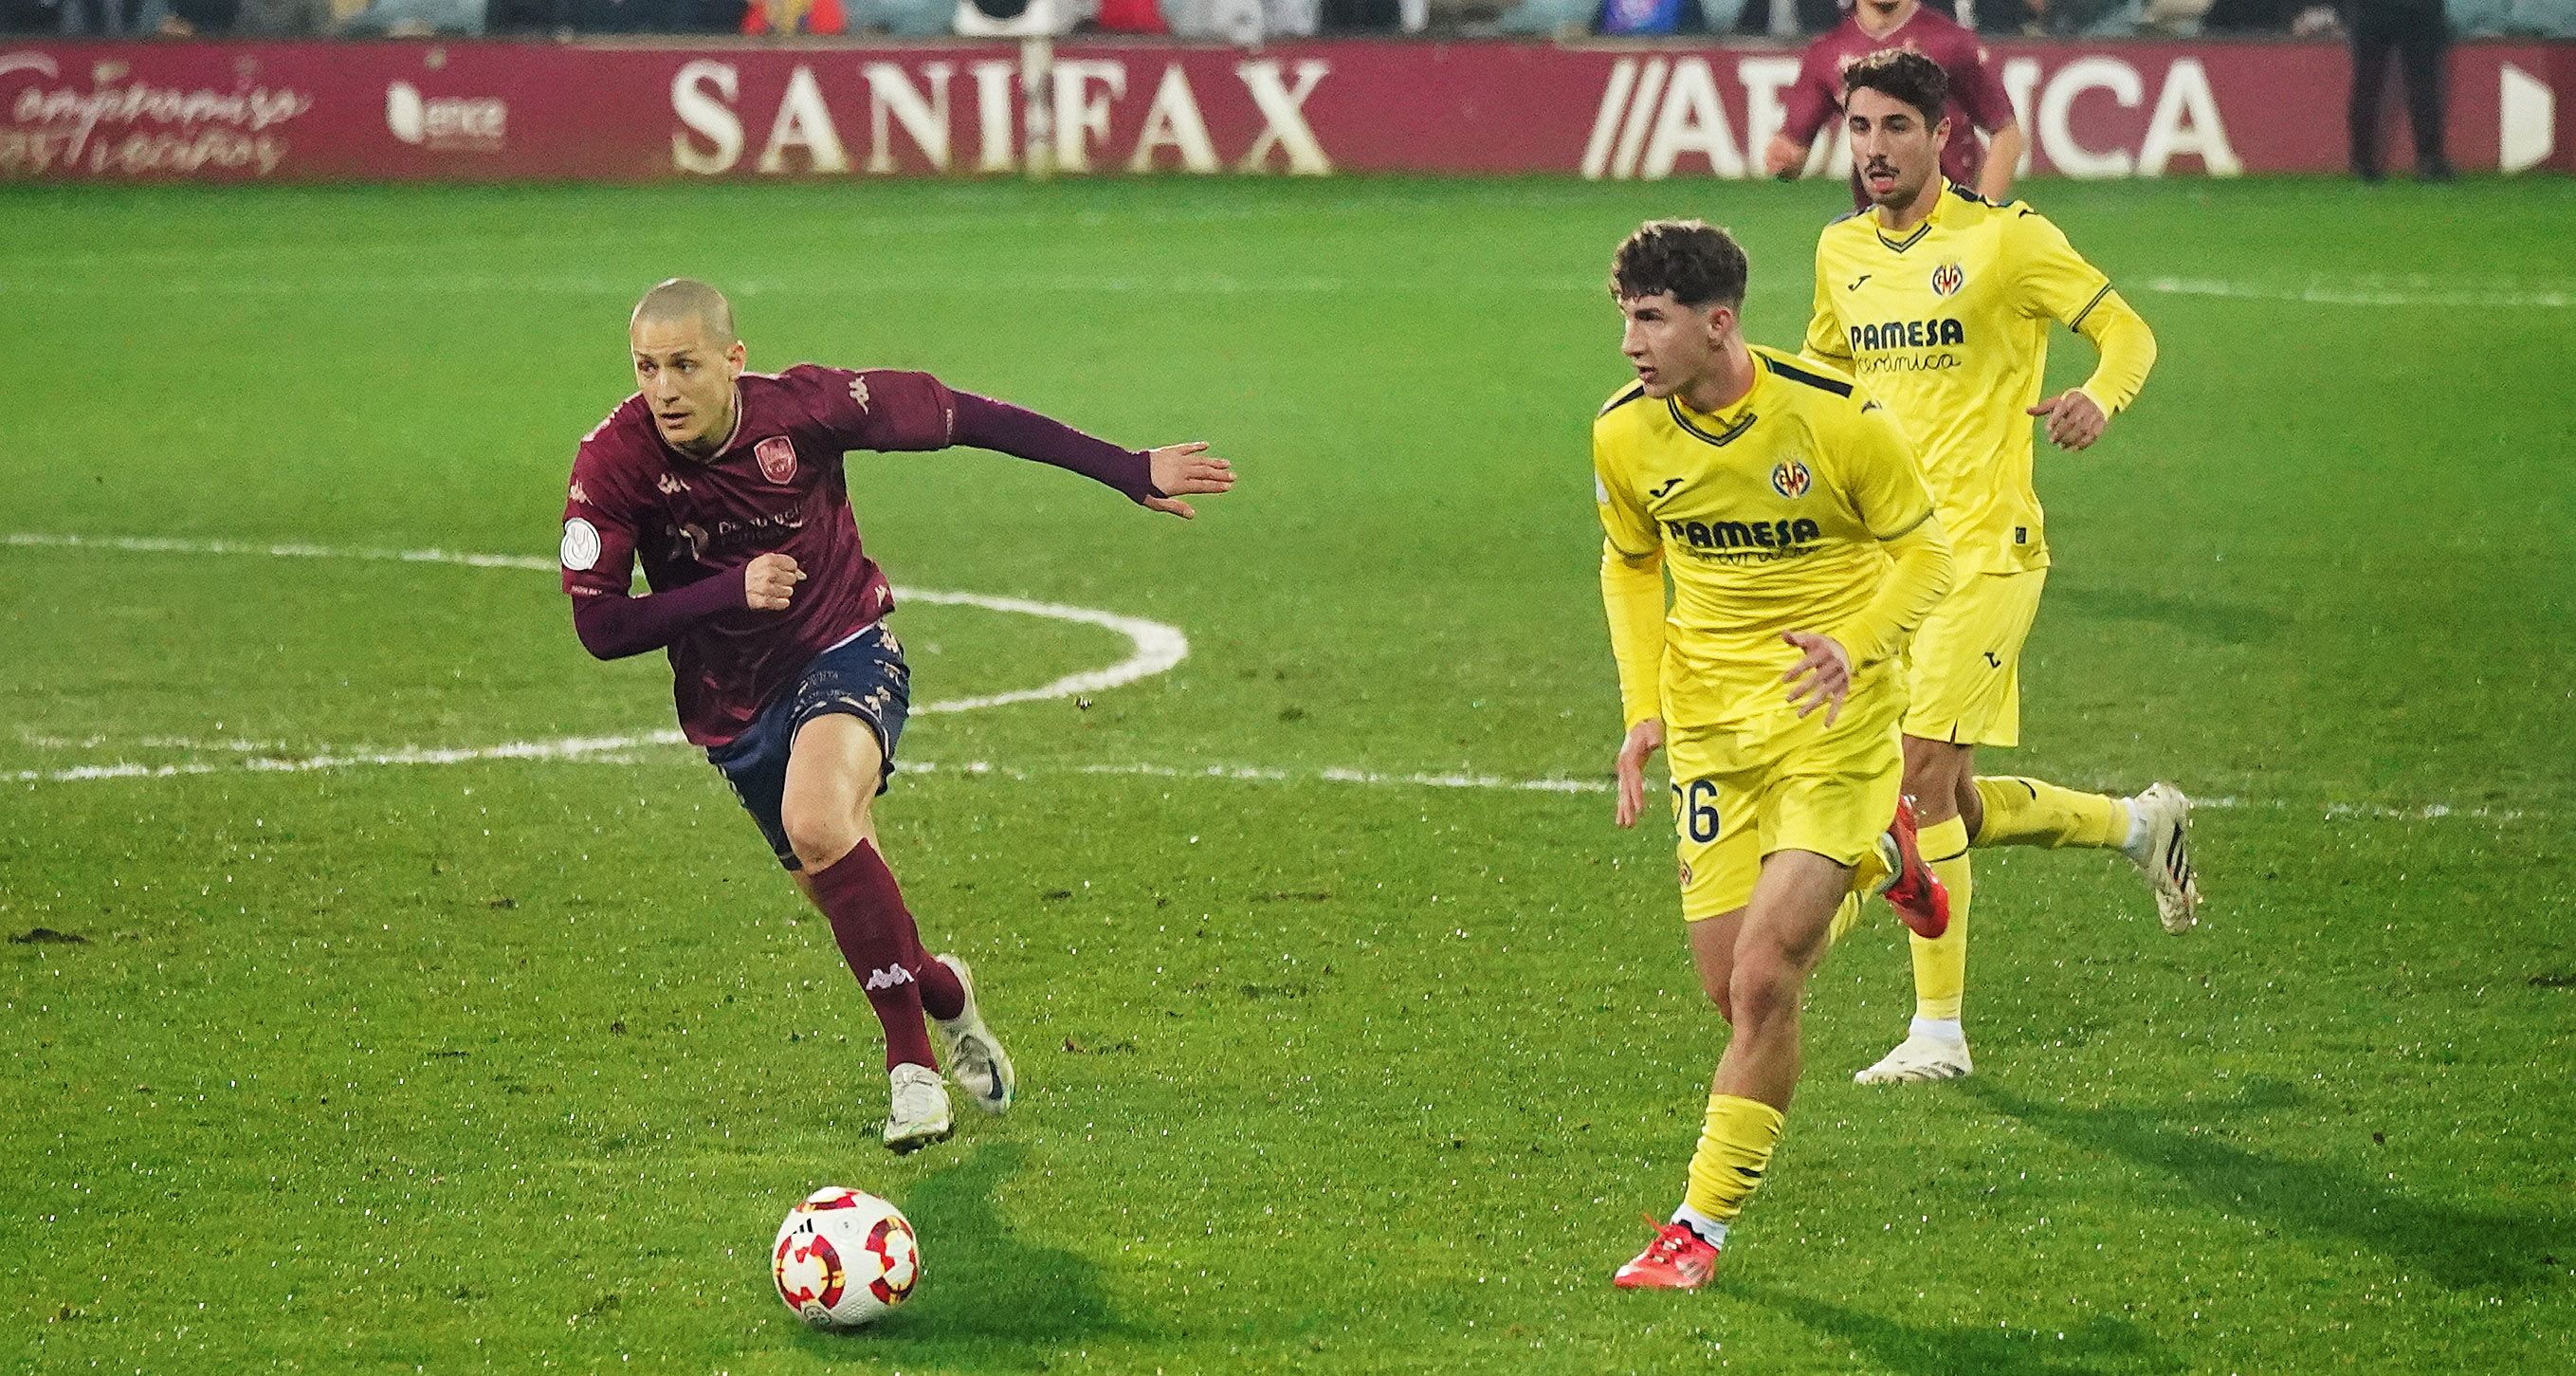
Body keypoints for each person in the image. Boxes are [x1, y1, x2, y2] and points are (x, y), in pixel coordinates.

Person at [560, 279, 1235, 1151]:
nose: (663, 389)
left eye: (683, 365)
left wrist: (1124, 467)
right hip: (731, 710)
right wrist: (730, 590)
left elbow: (964, 415)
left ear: (733, 360)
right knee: (846, 893)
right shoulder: (613, 462)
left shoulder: (806, 409)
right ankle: (943, 994)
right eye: (646, 368)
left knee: (816, 819)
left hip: (842, 647)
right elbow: (598, 624)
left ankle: (910, 1068)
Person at [1800, 49, 2192, 1088]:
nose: (1874, 149)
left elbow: (2126, 329)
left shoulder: (2004, 239)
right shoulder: (1838, 250)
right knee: (1954, 806)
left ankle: (1938, 1033)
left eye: (1895, 128)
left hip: (1986, 548)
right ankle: (2136, 823)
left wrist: (2097, 398)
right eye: (1858, 128)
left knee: (1914, 781)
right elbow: (1827, 379)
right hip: (1890, 560)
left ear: (1941, 137)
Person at [1594, 220, 1956, 1291]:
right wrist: (1642, 707)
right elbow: (1627, 565)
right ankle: (1888, 859)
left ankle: (1694, 1226)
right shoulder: (1621, 435)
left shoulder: (1833, 418)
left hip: (1833, 720)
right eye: (1623, 317)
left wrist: (1854, 643)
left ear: (1716, 323)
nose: (1629, 343)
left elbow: (1925, 552)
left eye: (1649, 318)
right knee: (1731, 988)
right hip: (1712, 733)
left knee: (1763, 982)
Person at [1763, 0, 2025, 211]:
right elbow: (1792, 150)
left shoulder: (1952, 43)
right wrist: (1784, 161)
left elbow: (2006, 133)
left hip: (1948, 218)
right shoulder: (1828, 52)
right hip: (1876, 226)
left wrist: (1982, 211)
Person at [2346, 0, 2455, 182]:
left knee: (2367, 84)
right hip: (2419, 9)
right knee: (2424, 85)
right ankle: (2430, 160)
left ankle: (2361, 160)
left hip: (2374, 9)